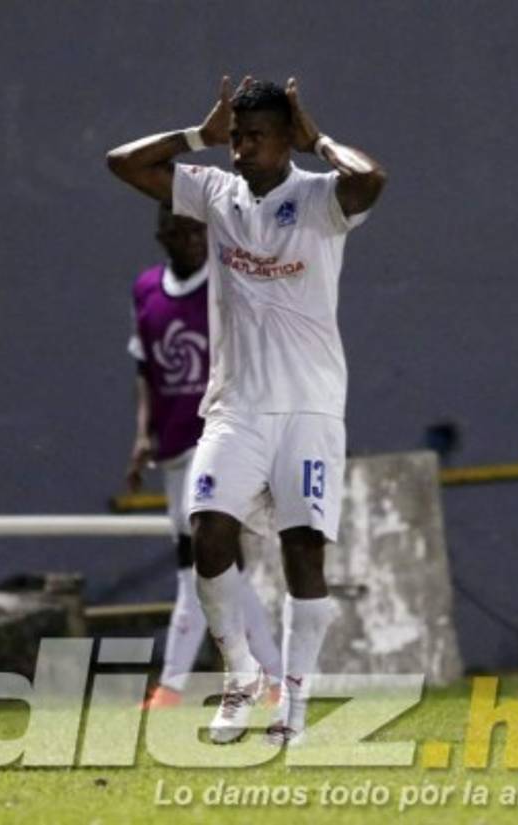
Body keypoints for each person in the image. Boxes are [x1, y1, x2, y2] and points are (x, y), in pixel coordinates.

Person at [107, 75, 385, 744]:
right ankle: (240, 675)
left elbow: (372, 177)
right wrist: (198, 134)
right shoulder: (215, 191)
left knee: (302, 553)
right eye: (236, 137)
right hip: (236, 407)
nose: (242, 149)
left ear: (286, 138)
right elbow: (124, 163)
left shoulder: (320, 198)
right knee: (207, 532)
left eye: (256, 136)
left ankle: (292, 704)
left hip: (312, 409)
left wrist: (317, 136)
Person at [126, 204, 282, 709]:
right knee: (208, 568)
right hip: (172, 444)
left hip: (217, 434)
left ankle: (176, 685)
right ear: (162, 235)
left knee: (202, 557)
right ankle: (272, 676)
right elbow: (147, 370)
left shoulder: (227, 283)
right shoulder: (146, 289)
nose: (192, 240)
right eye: (181, 231)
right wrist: (142, 436)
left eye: (199, 230)